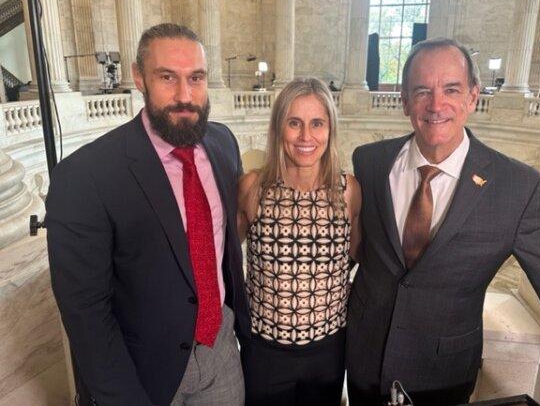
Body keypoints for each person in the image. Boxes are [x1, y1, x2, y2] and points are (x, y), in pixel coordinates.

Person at [347, 38, 540, 406]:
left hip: (442, 376)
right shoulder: (369, 161)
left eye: (451, 89)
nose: (436, 105)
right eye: (422, 91)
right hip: (364, 361)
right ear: (404, 100)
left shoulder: (517, 187)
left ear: (473, 97)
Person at [46, 23, 249, 406]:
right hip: (144, 370)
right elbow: (86, 313)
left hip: (220, 351)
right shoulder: (86, 175)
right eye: (167, 77)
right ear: (139, 77)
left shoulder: (223, 144)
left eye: (197, 78)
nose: (185, 95)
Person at [237, 77, 362, 406]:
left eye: (317, 123)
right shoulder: (253, 188)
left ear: (330, 129)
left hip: (328, 350)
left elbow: (354, 254)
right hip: (265, 350)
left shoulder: (348, 190)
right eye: (295, 123)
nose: (306, 136)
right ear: (279, 128)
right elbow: (225, 259)